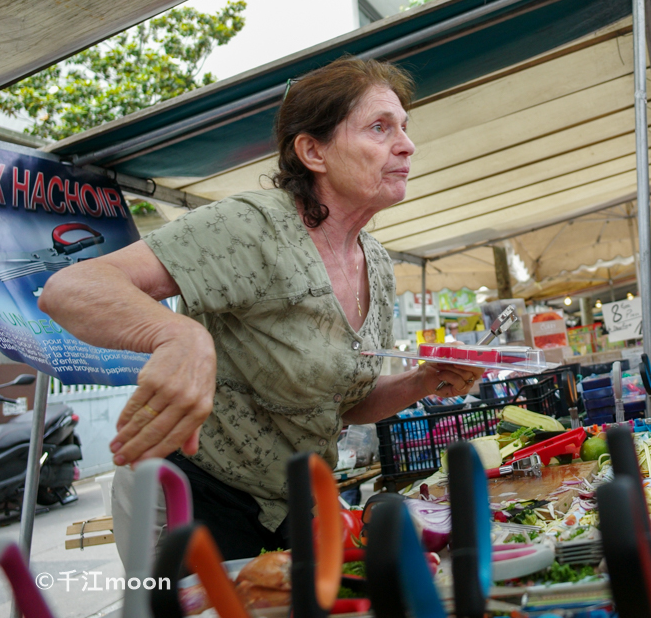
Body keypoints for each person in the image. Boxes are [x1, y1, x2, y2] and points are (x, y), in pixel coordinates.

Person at [39, 57, 480, 560]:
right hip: (193, 489)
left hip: (292, 500)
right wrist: (179, 336)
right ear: (313, 151)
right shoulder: (251, 227)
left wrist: (422, 381)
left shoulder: (375, 262)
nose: (406, 144)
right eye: (379, 128)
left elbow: (338, 402)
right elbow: (71, 287)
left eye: (403, 127)